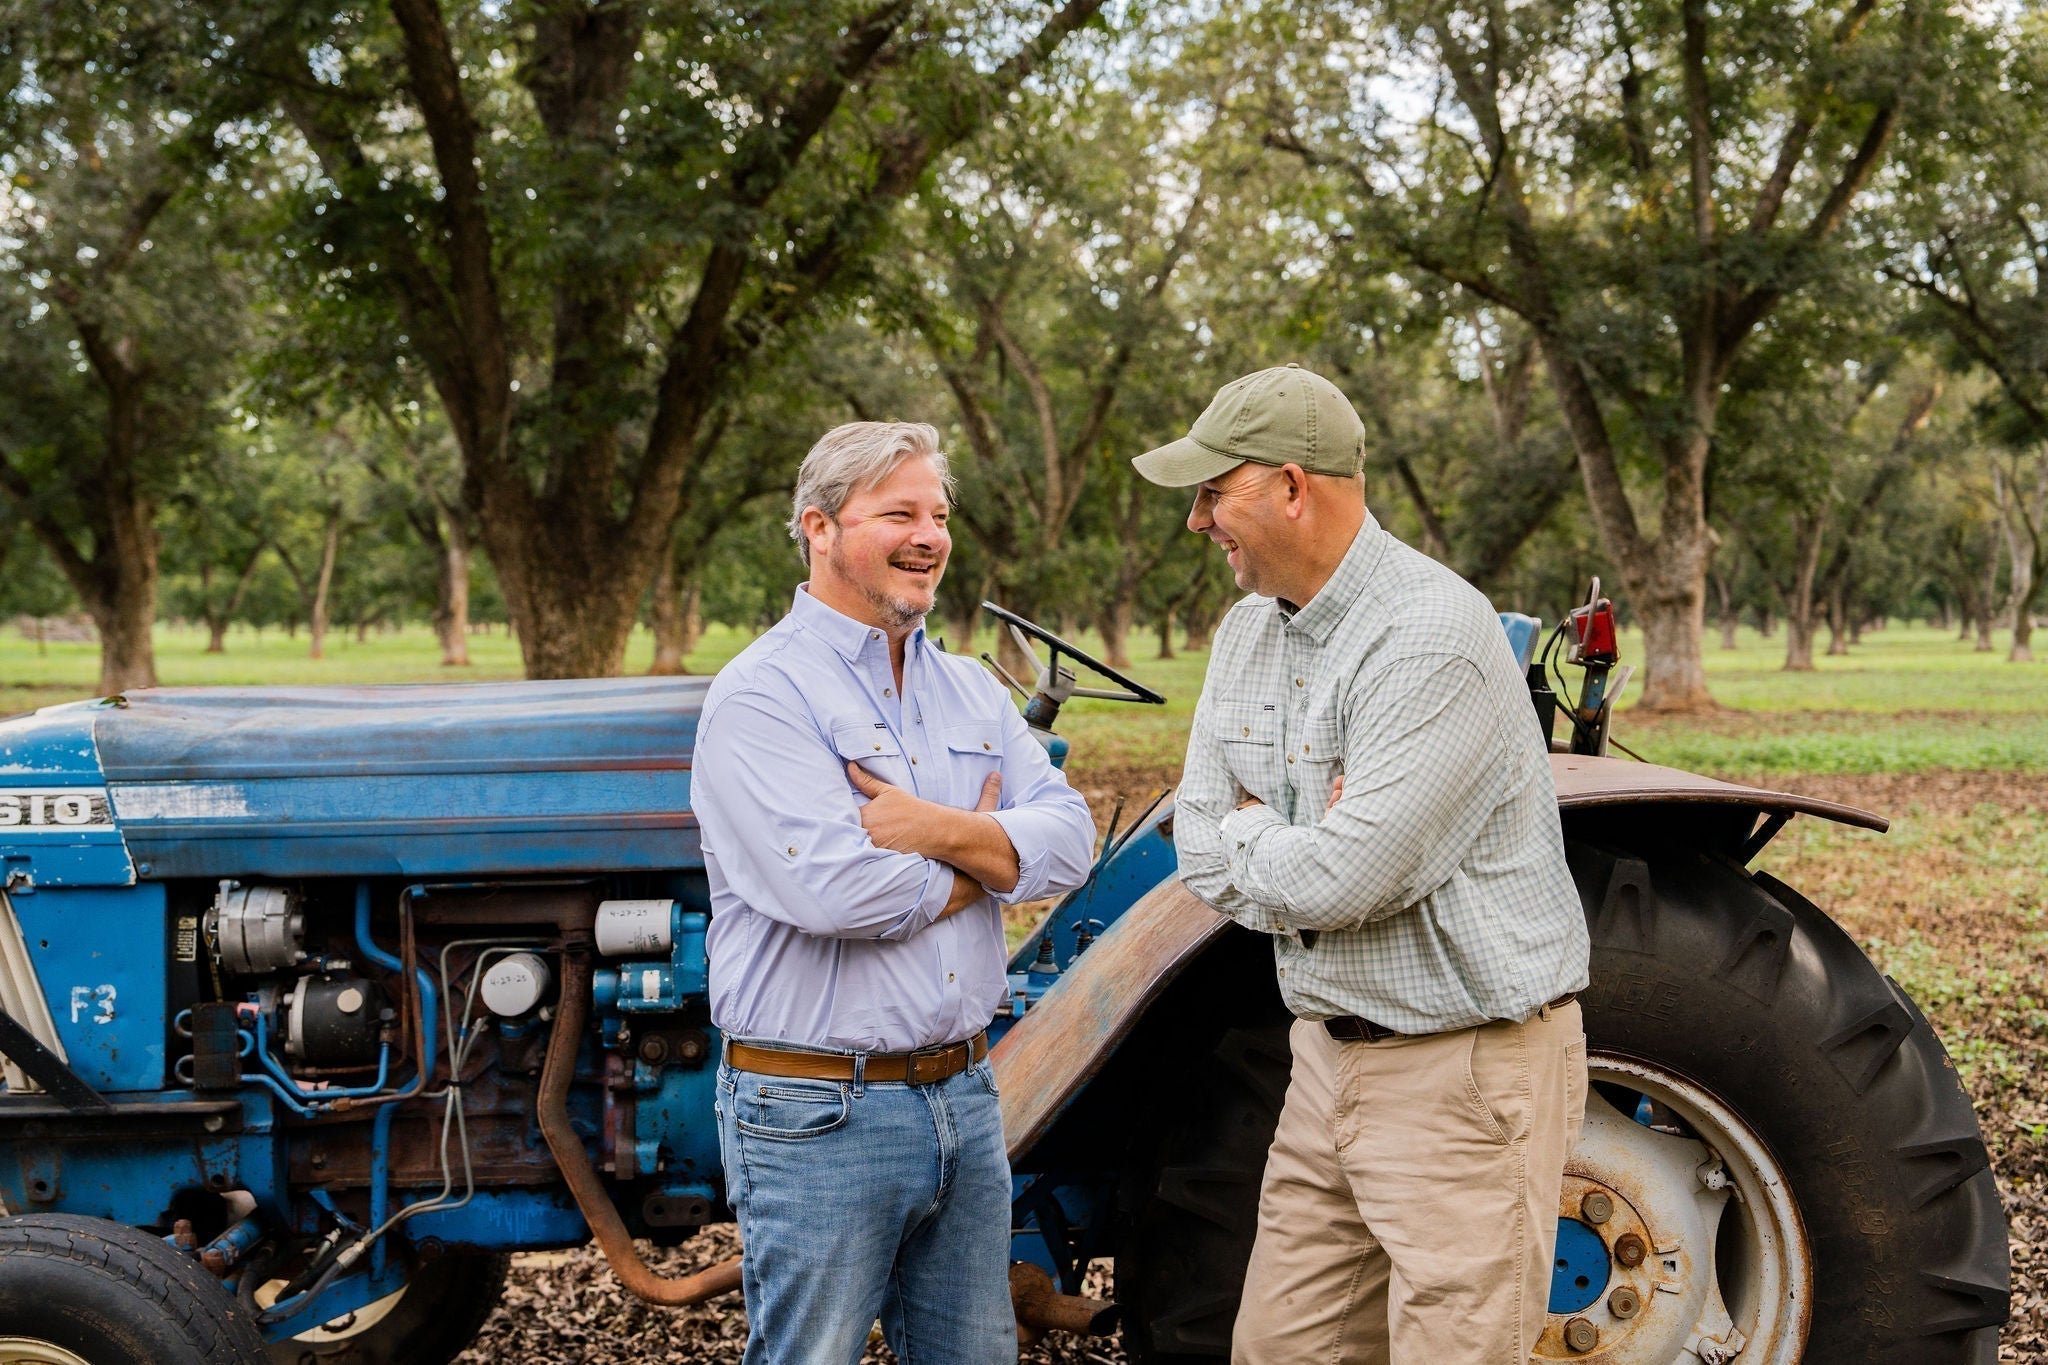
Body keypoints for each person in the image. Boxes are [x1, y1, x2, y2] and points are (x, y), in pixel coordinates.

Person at [1134, 364, 1591, 1364]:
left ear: (1291, 487)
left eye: (1213, 493)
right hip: (1323, 1058)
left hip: (1459, 1072)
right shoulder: (1248, 630)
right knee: (1280, 1349)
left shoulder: (1427, 639)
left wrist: (1259, 834)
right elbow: (1195, 840)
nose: (1196, 521)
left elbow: (1342, 879)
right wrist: (1283, 841)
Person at [691, 420, 1096, 1365]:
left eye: (941, 514)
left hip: (964, 1089)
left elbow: (1069, 840)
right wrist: (993, 858)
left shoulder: (969, 691)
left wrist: (933, 828)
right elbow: (845, 894)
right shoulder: (764, 696)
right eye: (900, 512)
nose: (930, 535)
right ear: (819, 527)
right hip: (819, 1107)